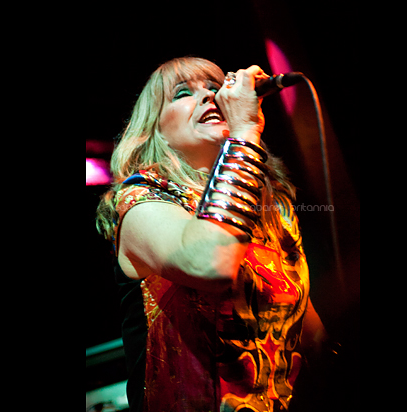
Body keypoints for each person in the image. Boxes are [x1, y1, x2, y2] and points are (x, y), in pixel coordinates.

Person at [96, 56, 326, 412]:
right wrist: (244, 132)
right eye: (182, 93)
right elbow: (209, 262)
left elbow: (306, 327)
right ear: (154, 130)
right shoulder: (139, 202)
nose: (209, 97)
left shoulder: (270, 208)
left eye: (215, 88)